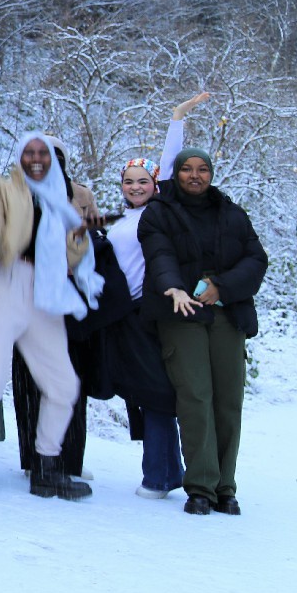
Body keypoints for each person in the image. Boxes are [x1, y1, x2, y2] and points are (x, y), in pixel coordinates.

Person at [0, 133, 101, 501]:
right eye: (30, 153)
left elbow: (73, 259)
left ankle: (47, 468)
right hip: (5, 280)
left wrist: (78, 238)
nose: (37, 159)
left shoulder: (70, 202)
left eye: (46, 154)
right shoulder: (0, 190)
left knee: (64, 384)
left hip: (47, 289)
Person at [139, 145, 267, 516]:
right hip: (181, 315)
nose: (195, 176)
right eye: (187, 169)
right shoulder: (158, 213)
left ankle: (225, 487)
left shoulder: (232, 213)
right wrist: (175, 287)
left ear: (211, 174)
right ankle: (201, 486)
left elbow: (256, 259)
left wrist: (222, 287)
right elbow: (159, 255)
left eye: (203, 169)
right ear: (175, 174)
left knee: (228, 400)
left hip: (228, 313)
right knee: (195, 397)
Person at [103, 93, 203, 499]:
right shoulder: (119, 218)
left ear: (155, 184)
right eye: (129, 181)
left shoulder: (158, 212)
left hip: (150, 311)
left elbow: (171, 166)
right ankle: (168, 470)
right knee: (143, 393)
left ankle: (158, 477)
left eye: (143, 181)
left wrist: (176, 120)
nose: (136, 186)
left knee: (156, 392)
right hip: (122, 315)